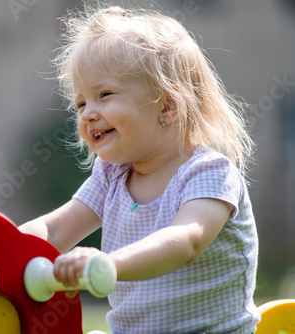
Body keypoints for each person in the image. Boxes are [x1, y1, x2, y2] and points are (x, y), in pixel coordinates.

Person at [18, 4, 259, 334]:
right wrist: (5, 248)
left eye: (104, 94)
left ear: (168, 106)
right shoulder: (111, 175)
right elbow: (56, 231)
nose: (87, 113)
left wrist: (108, 264)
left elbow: (185, 241)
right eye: (81, 102)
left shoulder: (209, 173)